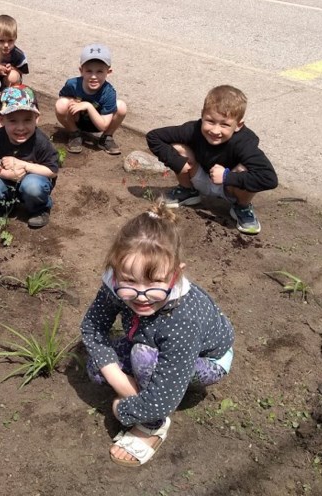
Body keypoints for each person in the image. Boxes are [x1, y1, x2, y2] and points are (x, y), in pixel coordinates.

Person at [80, 199, 234, 467]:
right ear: (116, 271)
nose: (141, 296)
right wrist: (118, 379)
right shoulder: (117, 285)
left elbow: (150, 389)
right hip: (147, 340)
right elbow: (93, 327)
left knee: (144, 357)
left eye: (154, 282)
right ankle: (147, 392)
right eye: (129, 281)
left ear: (176, 273)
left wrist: (122, 410)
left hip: (207, 359)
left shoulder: (184, 317)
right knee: (97, 367)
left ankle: (152, 426)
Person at [145, 84, 277, 235]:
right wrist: (177, 162)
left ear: (238, 125)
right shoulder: (193, 129)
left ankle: (242, 206)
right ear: (202, 115)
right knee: (178, 148)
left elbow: (270, 178)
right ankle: (188, 190)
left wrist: (228, 176)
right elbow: (153, 136)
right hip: (200, 177)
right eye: (210, 121)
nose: (215, 130)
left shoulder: (245, 142)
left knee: (245, 168)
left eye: (225, 125)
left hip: (230, 187)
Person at [0, 85, 59, 228]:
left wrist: (24, 165)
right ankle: (4, 207)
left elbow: (52, 170)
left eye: (27, 120)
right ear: (1, 121)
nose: (21, 127)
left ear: (37, 118)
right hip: (6, 181)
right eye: (13, 121)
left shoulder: (40, 141)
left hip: (33, 181)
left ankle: (39, 209)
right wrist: (7, 174)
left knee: (32, 186)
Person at [55, 43, 127, 156]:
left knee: (121, 106)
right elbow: (63, 98)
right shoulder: (72, 84)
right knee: (61, 104)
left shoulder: (108, 92)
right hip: (77, 120)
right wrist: (72, 102)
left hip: (98, 122)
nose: (94, 76)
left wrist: (88, 106)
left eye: (99, 71)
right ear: (81, 70)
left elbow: (102, 125)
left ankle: (106, 138)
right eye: (89, 71)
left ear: (108, 72)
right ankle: (74, 134)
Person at [0, 14, 29, 87]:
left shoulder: (18, 55)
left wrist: (11, 69)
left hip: (7, 81)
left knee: (13, 76)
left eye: (10, 40)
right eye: (1, 41)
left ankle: (11, 94)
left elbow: (22, 72)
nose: (6, 45)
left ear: (15, 38)